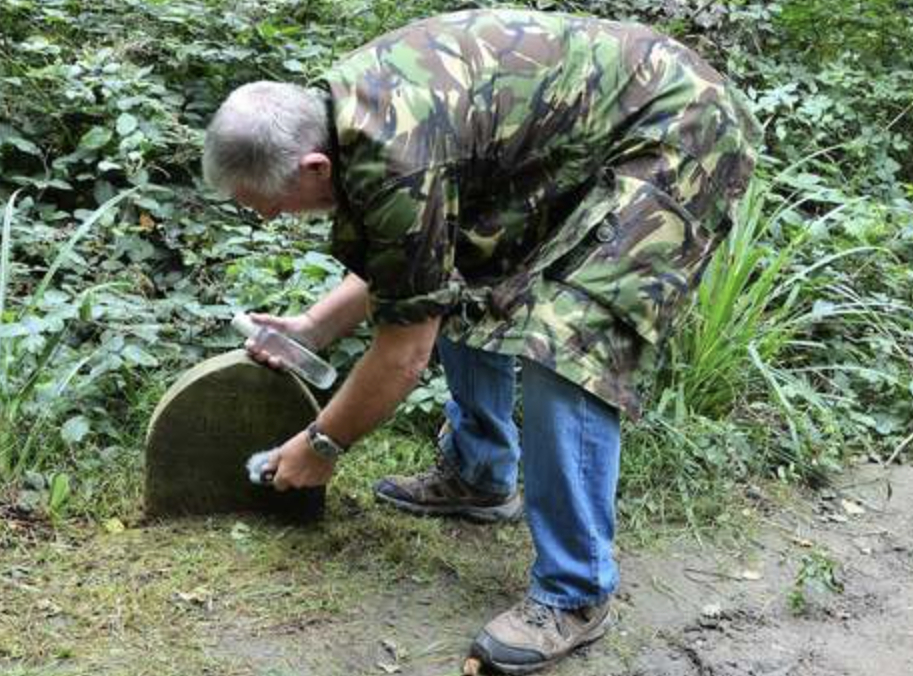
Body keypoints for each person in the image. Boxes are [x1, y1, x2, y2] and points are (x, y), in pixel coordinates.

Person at [201, 8, 758, 674]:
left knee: (571, 343)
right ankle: (481, 475)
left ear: (315, 165)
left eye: (268, 203)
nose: (267, 217)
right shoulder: (346, 113)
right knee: (467, 277)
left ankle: (577, 592)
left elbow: (404, 352)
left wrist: (322, 445)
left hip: (679, 129)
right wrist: (316, 326)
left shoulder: (395, 149)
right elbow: (422, 266)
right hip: (593, 130)